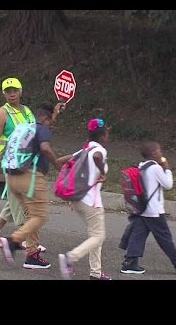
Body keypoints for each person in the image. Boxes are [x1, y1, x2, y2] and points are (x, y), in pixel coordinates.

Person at [0, 77, 63, 252]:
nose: (12, 94)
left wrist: (55, 112)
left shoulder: (26, 111)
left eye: (15, 90)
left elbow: (38, 127)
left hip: (25, 160)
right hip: (9, 160)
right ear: (3, 93)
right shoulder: (3, 112)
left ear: (20, 91)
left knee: (16, 197)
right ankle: (23, 237)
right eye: (8, 91)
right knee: (21, 198)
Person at [119, 141, 176, 275]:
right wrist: (166, 169)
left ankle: (130, 263)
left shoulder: (141, 166)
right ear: (154, 153)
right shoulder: (155, 168)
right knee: (164, 237)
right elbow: (168, 184)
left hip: (142, 208)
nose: (161, 152)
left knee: (138, 235)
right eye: (159, 150)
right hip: (154, 210)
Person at [58, 118, 112, 280]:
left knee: (95, 237)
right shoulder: (99, 150)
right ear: (102, 136)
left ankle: (95, 273)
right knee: (98, 236)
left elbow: (62, 161)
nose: (108, 137)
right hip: (91, 202)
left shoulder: (84, 149)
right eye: (107, 134)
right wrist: (102, 172)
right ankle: (70, 258)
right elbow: (97, 157)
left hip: (78, 199)